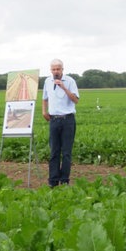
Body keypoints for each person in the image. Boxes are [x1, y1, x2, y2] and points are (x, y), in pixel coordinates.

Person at [42, 58, 80, 187]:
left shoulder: (70, 81)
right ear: (51, 70)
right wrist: (44, 111)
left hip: (67, 120)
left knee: (66, 153)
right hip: (54, 120)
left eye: (58, 69)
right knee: (54, 152)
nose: (56, 71)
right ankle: (53, 181)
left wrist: (63, 87)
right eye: (53, 69)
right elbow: (45, 98)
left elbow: (76, 100)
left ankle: (64, 181)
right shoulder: (47, 81)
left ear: (62, 69)